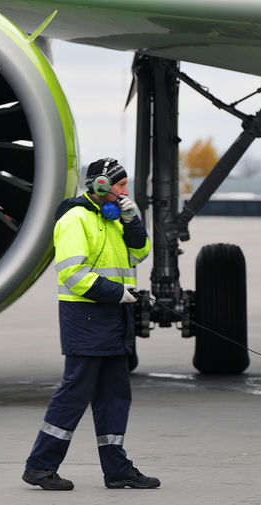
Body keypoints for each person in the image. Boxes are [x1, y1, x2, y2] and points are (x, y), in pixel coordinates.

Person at [22, 158, 160, 490]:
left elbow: (139, 253)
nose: (126, 191)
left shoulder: (113, 218)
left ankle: (117, 469)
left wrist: (132, 220)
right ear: (100, 184)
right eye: (121, 185)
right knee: (74, 393)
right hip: (86, 318)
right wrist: (118, 293)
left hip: (114, 319)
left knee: (115, 395)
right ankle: (40, 466)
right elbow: (72, 273)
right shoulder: (75, 219)